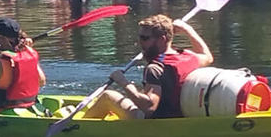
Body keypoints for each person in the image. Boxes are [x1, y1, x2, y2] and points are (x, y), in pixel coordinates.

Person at [85, 14, 213, 120]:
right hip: (180, 116)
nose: (140, 42)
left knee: (108, 96)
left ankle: (77, 128)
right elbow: (207, 57)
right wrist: (188, 30)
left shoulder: (155, 68)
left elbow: (149, 108)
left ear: (162, 39)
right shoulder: (188, 56)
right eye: (140, 37)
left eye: (145, 38)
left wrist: (123, 82)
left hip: (157, 121)